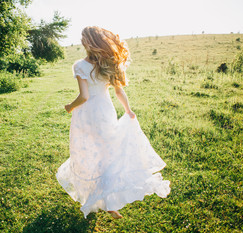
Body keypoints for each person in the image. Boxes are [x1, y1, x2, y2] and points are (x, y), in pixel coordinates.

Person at [56, 26, 170, 219]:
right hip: (105, 112)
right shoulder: (108, 63)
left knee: (88, 152)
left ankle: (95, 196)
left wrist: (70, 106)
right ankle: (109, 202)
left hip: (86, 115)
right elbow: (118, 91)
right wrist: (128, 110)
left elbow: (83, 96)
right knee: (107, 154)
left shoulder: (79, 66)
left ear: (86, 43)